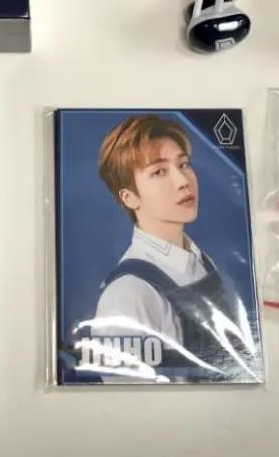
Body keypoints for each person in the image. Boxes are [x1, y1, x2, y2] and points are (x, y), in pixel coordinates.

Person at [90, 115, 245, 375]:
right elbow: (123, 393)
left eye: (183, 164)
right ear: (129, 197)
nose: (183, 181)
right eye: (159, 171)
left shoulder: (201, 260)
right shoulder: (128, 294)